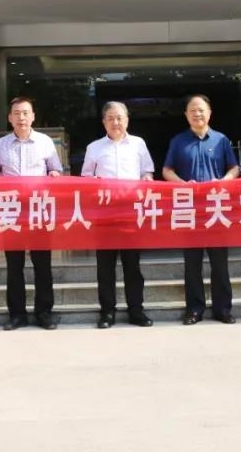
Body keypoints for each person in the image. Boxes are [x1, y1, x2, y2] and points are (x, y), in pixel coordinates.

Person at [162, 94, 240, 325]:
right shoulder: (178, 141)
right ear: (186, 114)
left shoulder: (221, 140)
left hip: (217, 208)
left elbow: (234, 168)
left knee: (220, 263)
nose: (197, 114)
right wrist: (183, 184)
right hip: (190, 209)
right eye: (193, 110)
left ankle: (223, 309)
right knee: (192, 263)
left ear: (209, 113)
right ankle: (194, 309)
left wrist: (223, 181)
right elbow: (167, 171)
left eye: (201, 109)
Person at [0, 97, 63, 331]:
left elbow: (56, 169)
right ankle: (17, 314)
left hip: (38, 210)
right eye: (17, 113)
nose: (21, 117)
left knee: (43, 264)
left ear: (33, 116)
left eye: (26, 113)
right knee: (14, 265)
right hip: (12, 211)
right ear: (10, 118)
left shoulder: (45, 142)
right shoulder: (0, 145)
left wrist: (55, 175)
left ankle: (44, 313)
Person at [81, 101, 155, 329]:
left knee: (132, 266)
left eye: (120, 118)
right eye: (111, 118)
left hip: (131, 214)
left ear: (127, 120)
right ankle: (107, 312)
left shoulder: (138, 144)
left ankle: (136, 311)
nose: (116, 122)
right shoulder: (94, 147)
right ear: (104, 122)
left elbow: (147, 172)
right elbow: (85, 178)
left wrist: (146, 180)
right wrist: (94, 183)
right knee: (105, 267)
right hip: (104, 215)